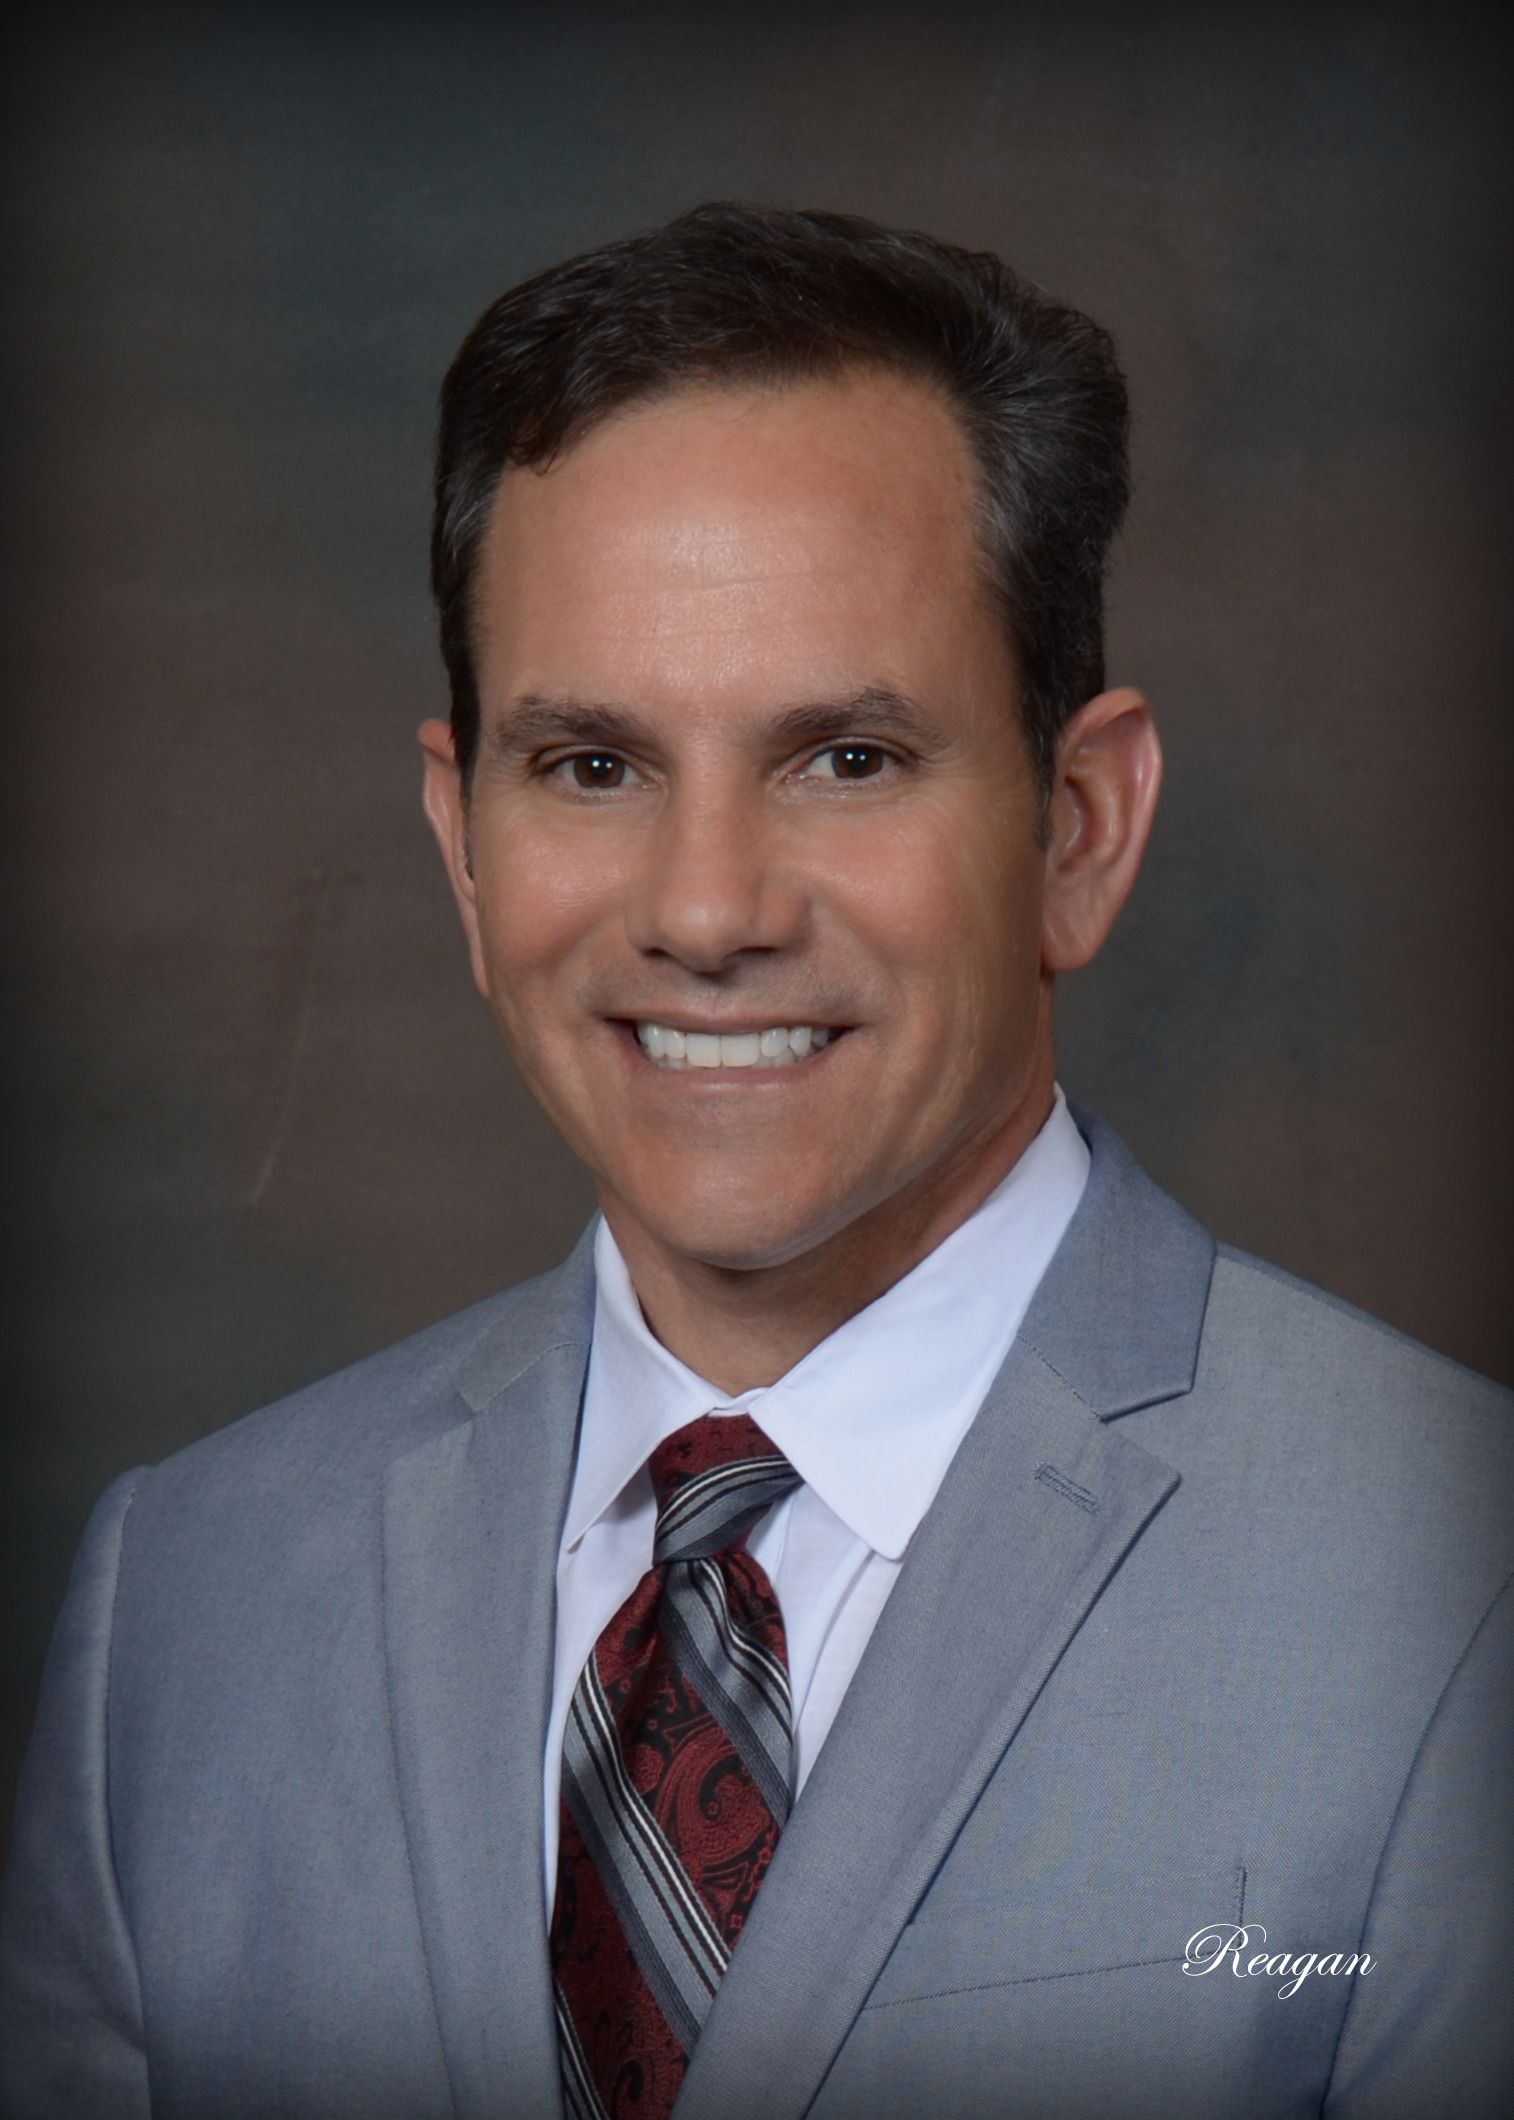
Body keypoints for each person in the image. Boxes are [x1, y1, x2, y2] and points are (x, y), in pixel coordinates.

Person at [1, 204, 1509, 2120]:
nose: (707, 910)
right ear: (464, 849)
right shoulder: (187, 1598)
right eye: (593, 766)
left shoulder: (1450, 1589)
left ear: (1076, 826)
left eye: (845, 759)